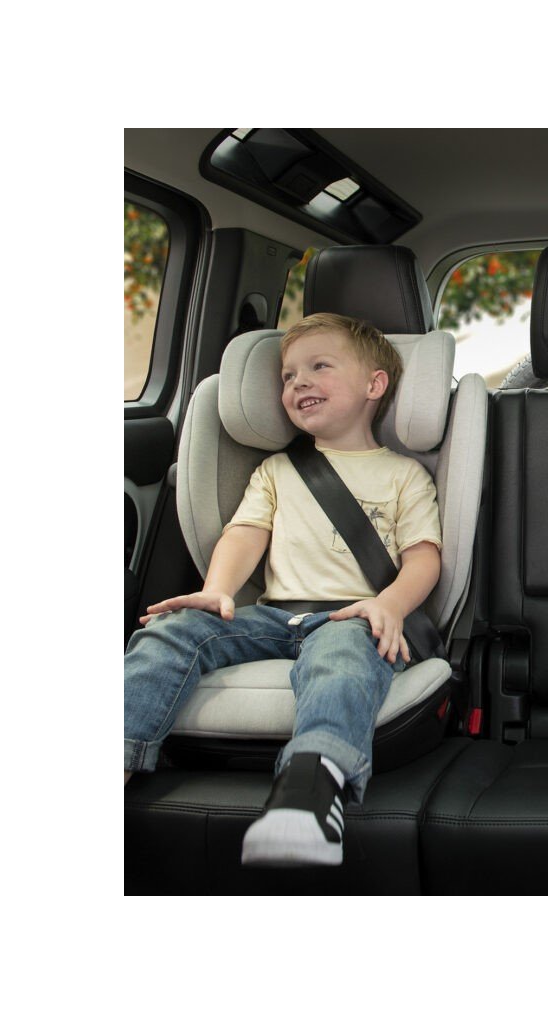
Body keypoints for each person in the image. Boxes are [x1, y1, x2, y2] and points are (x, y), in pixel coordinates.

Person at [124, 312, 443, 868]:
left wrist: (389, 605)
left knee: (341, 658)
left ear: (374, 386)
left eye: (319, 367)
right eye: (288, 376)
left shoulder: (404, 475)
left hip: (350, 617)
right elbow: (245, 534)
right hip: (271, 616)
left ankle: (311, 791)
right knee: (172, 630)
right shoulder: (277, 470)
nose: (298, 383)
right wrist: (217, 591)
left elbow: (424, 558)